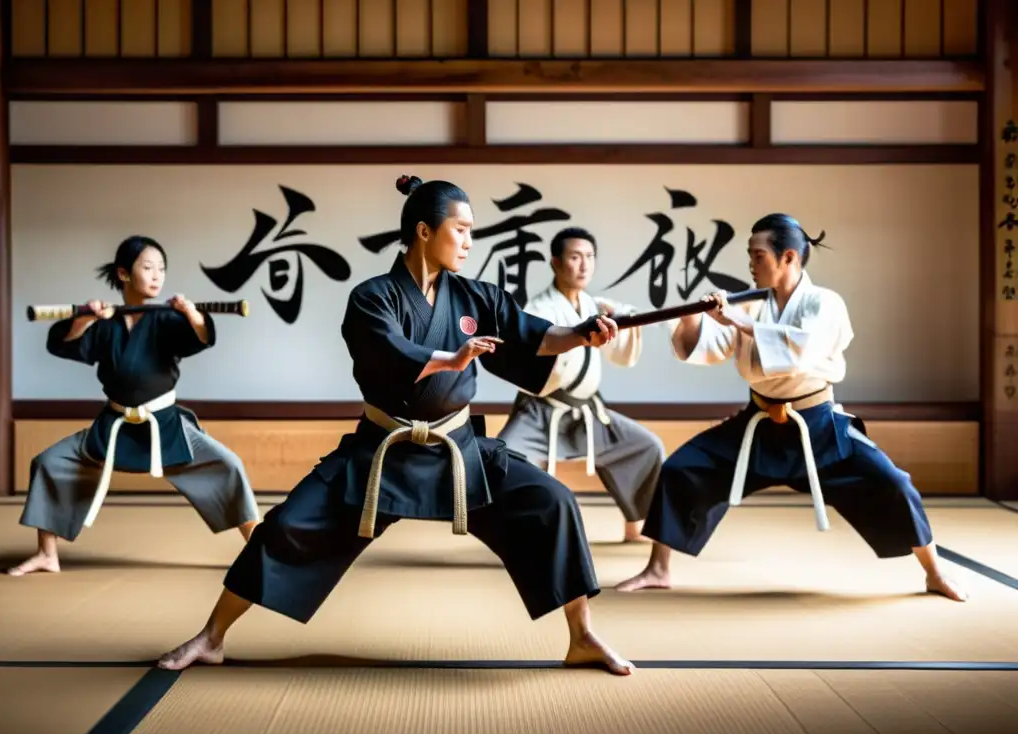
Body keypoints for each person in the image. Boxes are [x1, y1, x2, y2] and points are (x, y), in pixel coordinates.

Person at [157, 175, 635, 676]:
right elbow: (388, 354)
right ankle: (211, 637)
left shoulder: (477, 297)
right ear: (424, 231)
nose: (471, 241)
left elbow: (535, 338)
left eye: (474, 231)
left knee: (553, 503)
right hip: (383, 450)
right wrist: (449, 359)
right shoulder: (372, 297)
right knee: (287, 527)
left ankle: (582, 637)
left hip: (459, 450)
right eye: (462, 229)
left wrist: (582, 335)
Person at [615, 213, 967, 602]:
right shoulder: (749, 305)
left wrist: (732, 317)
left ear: (789, 259)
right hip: (759, 422)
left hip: (817, 426)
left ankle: (933, 571)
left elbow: (800, 350)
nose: (751, 263)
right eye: (749, 255)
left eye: (759, 255)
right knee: (682, 469)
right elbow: (708, 348)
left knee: (892, 482)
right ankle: (658, 568)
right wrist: (693, 318)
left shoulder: (824, 303)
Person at [7, 236, 260, 577]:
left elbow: (201, 337)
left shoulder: (169, 319)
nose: (157, 275)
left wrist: (191, 314)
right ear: (124, 274)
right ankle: (47, 554)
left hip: (165, 425)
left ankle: (261, 550)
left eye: (162, 268)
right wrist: (85, 318)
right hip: (114, 425)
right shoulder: (105, 323)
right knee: (50, 463)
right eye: (147, 267)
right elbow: (65, 344)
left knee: (228, 465)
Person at [496, 227, 665, 542]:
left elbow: (621, 318)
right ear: (556, 263)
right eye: (575, 257)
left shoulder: (592, 305)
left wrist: (626, 318)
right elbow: (534, 349)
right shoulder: (538, 309)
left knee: (646, 447)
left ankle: (636, 524)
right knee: (506, 460)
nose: (584, 264)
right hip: (540, 413)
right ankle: (521, 540)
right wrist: (576, 336)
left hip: (589, 413)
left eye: (589, 257)